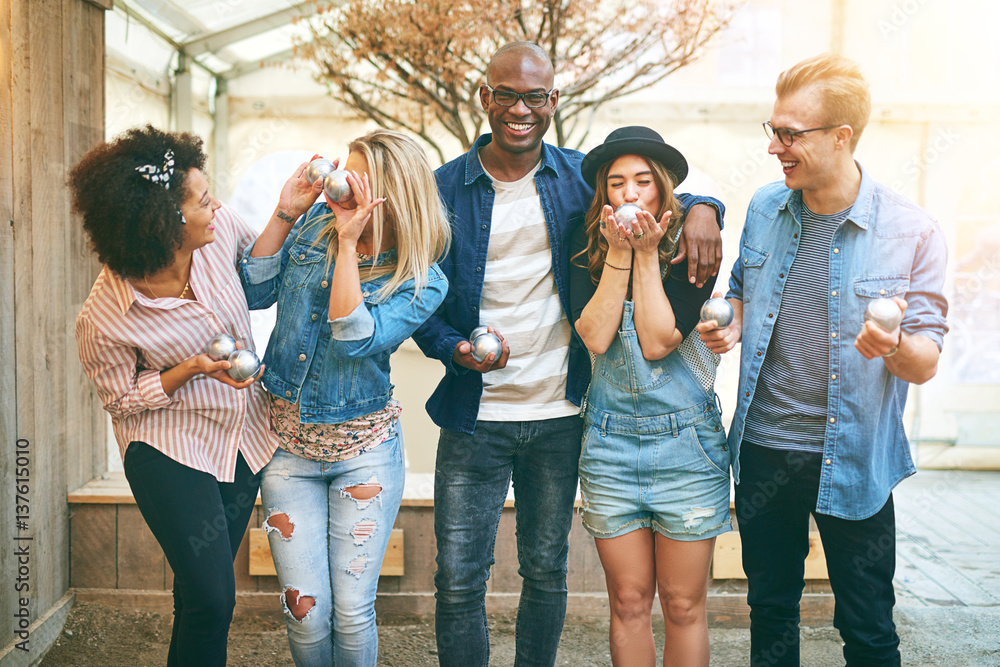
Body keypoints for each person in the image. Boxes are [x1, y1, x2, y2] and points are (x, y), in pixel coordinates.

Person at [411, 41, 724, 666]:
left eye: (535, 97)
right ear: (485, 99)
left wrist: (705, 208)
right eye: (507, 95)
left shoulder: (576, 179)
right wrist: (453, 349)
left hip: (561, 412)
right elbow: (418, 296)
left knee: (546, 573)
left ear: (553, 102)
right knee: (457, 582)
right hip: (475, 416)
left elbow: (648, 192)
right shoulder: (443, 188)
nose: (520, 109)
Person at [697, 54, 948, 666]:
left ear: (842, 138)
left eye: (790, 135)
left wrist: (891, 346)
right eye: (773, 130)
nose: (775, 148)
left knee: (867, 627)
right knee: (771, 612)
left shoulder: (912, 232)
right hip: (764, 450)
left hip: (856, 457)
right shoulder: (765, 207)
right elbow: (742, 291)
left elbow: (926, 361)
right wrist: (728, 321)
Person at [238, 128, 451, 666]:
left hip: (366, 452)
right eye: (344, 169)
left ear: (392, 194)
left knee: (354, 611)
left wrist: (350, 244)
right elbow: (254, 289)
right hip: (288, 449)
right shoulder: (313, 224)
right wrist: (286, 212)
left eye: (358, 177)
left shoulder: (423, 278)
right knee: (305, 613)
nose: (342, 184)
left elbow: (353, 337)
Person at [72, 125, 278, 666]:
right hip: (167, 447)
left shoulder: (219, 231)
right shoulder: (105, 316)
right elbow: (119, 400)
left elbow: (261, 267)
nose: (216, 207)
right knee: (214, 598)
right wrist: (189, 369)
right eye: (202, 201)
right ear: (166, 222)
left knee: (196, 595)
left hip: (241, 437)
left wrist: (286, 213)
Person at [570, 126, 732, 666]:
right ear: (604, 194)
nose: (630, 193)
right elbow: (593, 334)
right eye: (617, 184)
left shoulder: (694, 241)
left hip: (687, 448)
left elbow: (662, 338)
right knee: (629, 600)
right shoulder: (582, 236)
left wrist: (645, 254)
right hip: (610, 447)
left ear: (662, 190)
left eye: (643, 181)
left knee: (684, 604)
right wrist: (619, 252)